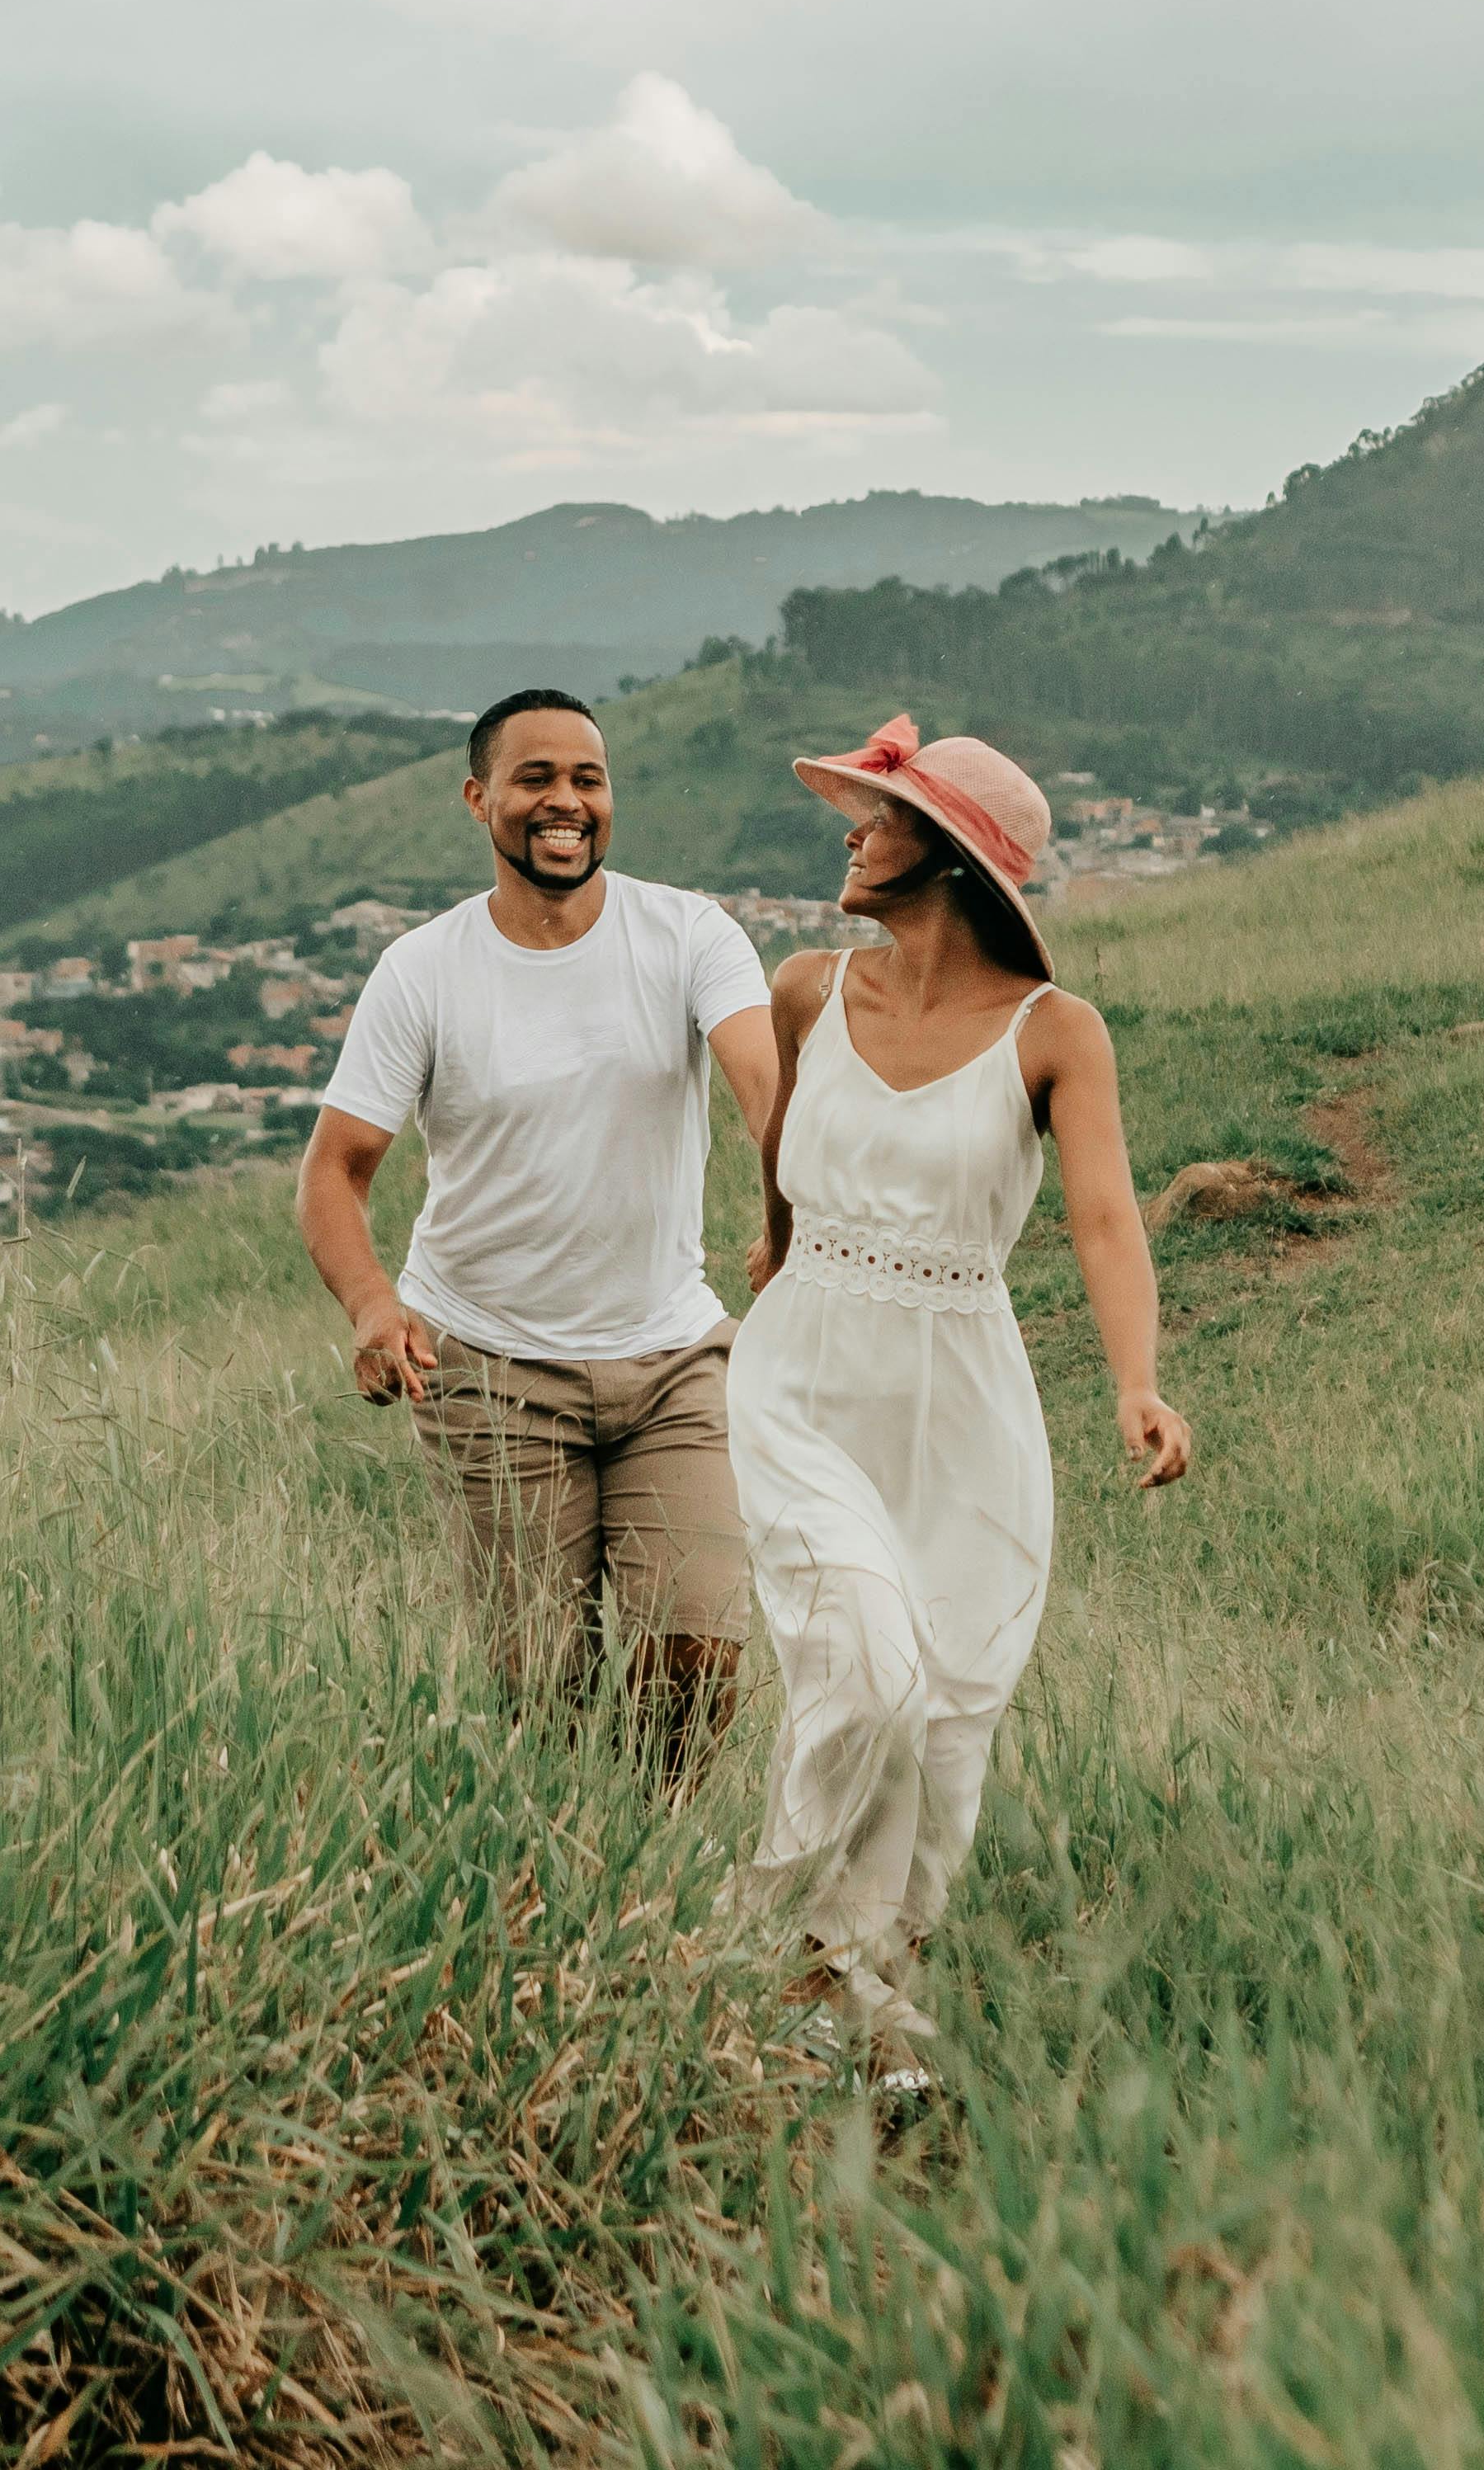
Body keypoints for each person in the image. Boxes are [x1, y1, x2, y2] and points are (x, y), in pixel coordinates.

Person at [728, 713, 1191, 2076]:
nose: (850, 830)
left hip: (965, 1403)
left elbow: (1106, 1219)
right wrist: (773, 1244)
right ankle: (771, 1954)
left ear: (951, 862)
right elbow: (777, 1149)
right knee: (863, 1669)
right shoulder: (807, 989)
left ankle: (865, 2006)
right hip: (808, 1376)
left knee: (940, 1721)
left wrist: (1138, 1385)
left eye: (878, 813)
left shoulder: (1059, 1034)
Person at [299, 687, 780, 1782]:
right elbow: (334, 1169)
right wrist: (375, 1307)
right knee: (540, 1691)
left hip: (674, 1363)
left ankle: (654, 1876)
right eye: (536, 779)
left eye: (588, 780)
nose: (566, 801)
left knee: (697, 1657)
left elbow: (764, 1080)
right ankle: (564, 1892)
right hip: (490, 1370)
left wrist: (788, 1195)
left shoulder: (690, 933)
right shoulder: (424, 969)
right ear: (480, 801)